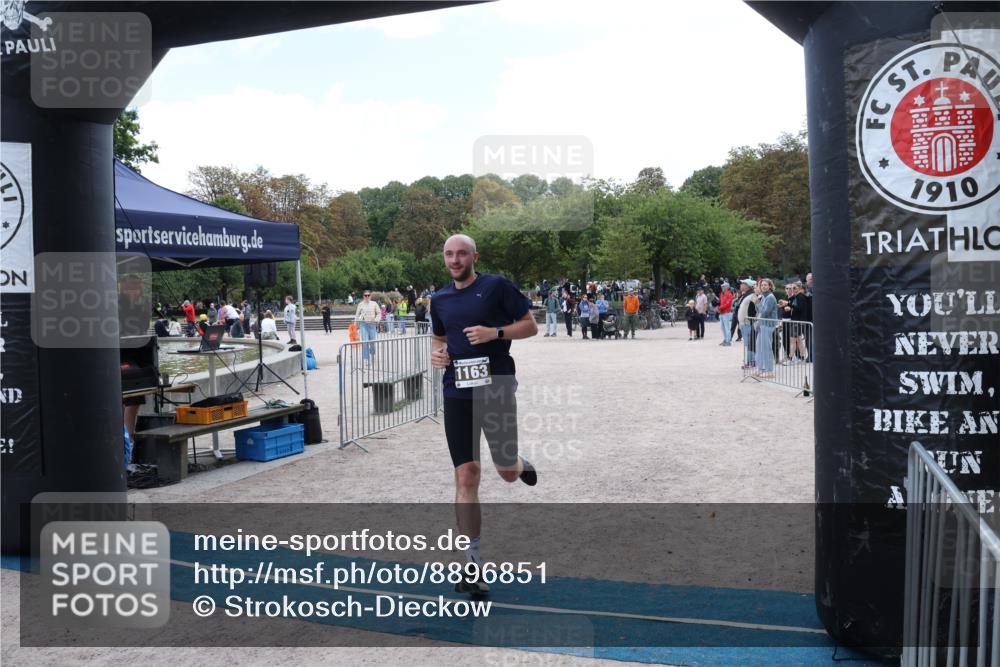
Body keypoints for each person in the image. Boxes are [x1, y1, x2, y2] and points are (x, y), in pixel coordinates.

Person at [429, 233, 538, 596]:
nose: (455, 260)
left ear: (474, 257)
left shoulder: (496, 287)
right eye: (449, 254)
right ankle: (472, 565)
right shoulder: (439, 299)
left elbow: (530, 325)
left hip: (496, 388)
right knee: (466, 475)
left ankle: (518, 464)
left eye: (461, 254)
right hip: (456, 391)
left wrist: (495, 332)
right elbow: (440, 338)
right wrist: (438, 353)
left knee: (505, 471)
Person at [755, 279, 779, 377]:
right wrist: (757, 303)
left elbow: (765, 312)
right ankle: (761, 368)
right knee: (759, 347)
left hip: (768, 325)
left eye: (765, 285)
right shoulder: (763, 297)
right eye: (762, 285)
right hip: (762, 324)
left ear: (770, 286)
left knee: (766, 347)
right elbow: (759, 311)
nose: (763, 287)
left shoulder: (770, 297)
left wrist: (758, 303)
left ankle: (769, 370)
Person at [737, 281, 758, 368]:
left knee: (750, 343)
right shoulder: (745, 295)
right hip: (743, 323)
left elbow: (758, 307)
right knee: (747, 343)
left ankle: (752, 361)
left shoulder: (752, 295)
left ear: (747, 286)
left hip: (748, 323)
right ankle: (750, 361)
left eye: (742, 284)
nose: (740, 285)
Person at [354, 290, 380, 361]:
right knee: (365, 342)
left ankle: (372, 354)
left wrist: (376, 320)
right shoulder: (360, 304)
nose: (367, 297)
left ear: (370, 296)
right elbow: (357, 315)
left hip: (372, 324)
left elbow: (379, 313)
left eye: (368, 295)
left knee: (372, 342)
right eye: (365, 295)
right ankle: (366, 358)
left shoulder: (374, 303)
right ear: (363, 296)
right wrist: (355, 326)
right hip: (363, 324)